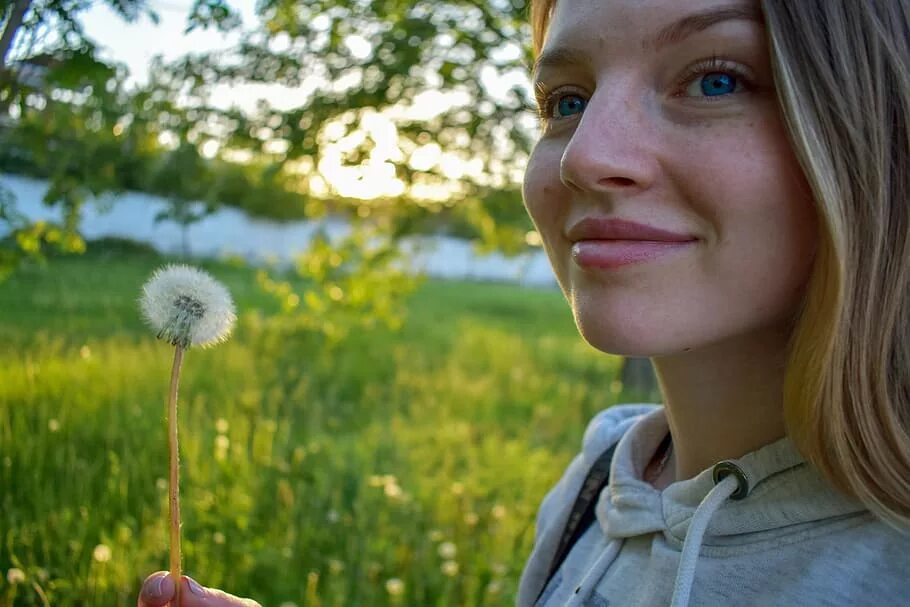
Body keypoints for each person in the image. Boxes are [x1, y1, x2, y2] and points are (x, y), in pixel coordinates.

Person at [138, 1, 910, 605]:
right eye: (566, 99)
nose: (585, 154)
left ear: (879, 132)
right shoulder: (600, 478)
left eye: (716, 78)